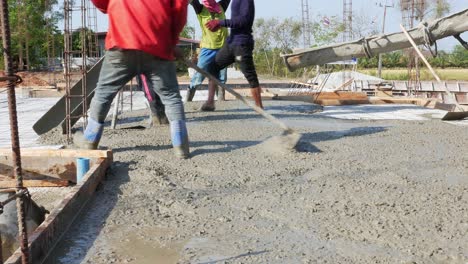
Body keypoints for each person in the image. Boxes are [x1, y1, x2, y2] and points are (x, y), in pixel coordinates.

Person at [75, 0, 190, 159]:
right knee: (171, 96)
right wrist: (172, 42)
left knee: (103, 93)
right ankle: (181, 147)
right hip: (158, 44)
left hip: (121, 41)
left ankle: (89, 140)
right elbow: (179, 10)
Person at [204, 0, 263, 110]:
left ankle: (259, 108)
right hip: (231, 43)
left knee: (250, 76)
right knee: (212, 67)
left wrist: (220, 22)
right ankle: (210, 102)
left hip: (242, 44)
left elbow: (243, 21)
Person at [187, 0, 230, 107]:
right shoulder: (200, 9)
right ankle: (188, 99)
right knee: (199, 74)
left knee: (221, 76)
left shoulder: (221, 6)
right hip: (208, 48)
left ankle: (221, 101)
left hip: (222, 48)